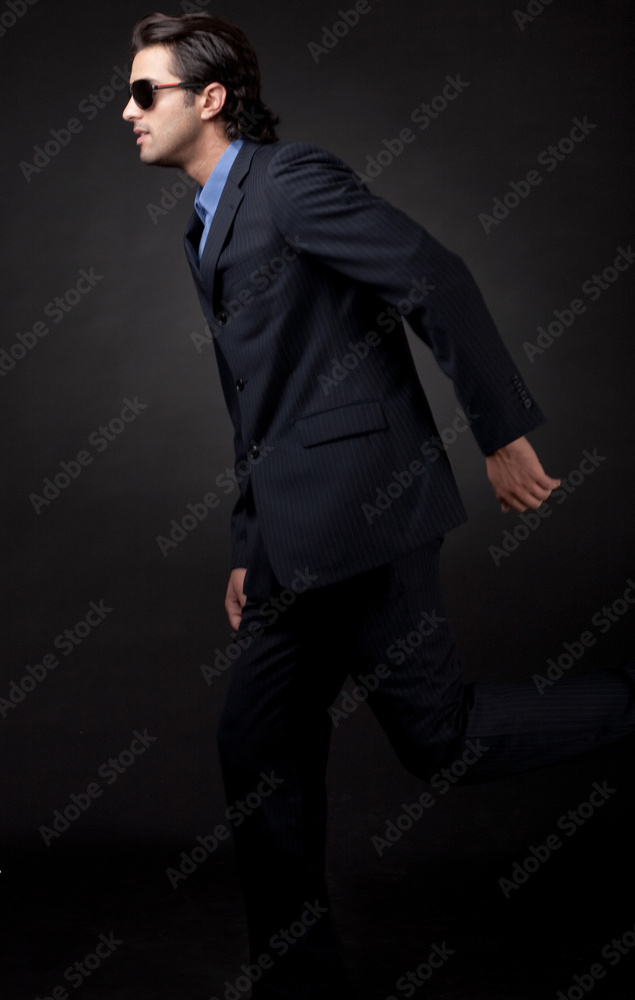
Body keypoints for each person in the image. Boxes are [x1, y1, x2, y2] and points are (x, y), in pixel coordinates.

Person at [123, 13, 635, 998]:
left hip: (367, 514)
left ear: (210, 99)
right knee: (260, 742)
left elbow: (432, 275)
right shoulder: (204, 224)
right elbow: (255, 406)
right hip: (292, 538)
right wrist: (249, 539)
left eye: (146, 92)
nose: (126, 111)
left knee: (436, 742)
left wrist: (497, 430)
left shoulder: (290, 182)